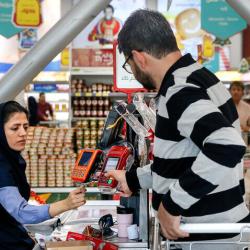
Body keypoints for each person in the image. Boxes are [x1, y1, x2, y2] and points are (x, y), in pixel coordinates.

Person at [107, 10, 249, 250]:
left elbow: (228, 146)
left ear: (139, 58)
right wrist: (133, 179)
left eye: (129, 65)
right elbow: (182, 159)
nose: (133, 71)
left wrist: (172, 204)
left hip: (206, 238)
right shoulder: (202, 77)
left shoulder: (179, 91)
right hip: (223, 231)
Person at [0, 101, 86, 250]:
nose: (23, 133)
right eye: (15, 128)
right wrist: (65, 204)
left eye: (25, 127)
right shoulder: (1, 164)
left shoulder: (12, 158)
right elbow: (20, 212)